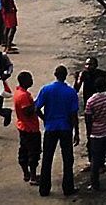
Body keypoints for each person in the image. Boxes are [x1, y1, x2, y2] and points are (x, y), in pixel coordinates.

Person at [35, 65, 79, 197]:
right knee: (67, 159)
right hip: (65, 128)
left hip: (51, 127)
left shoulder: (46, 89)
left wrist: (45, 119)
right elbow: (73, 115)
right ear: (65, 76)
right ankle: (68, 188)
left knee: (47, 158)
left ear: (55, 74)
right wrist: (76, 132)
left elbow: (37, 108)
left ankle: (44, 189)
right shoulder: (71, 92)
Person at [13, 70, 42, 185]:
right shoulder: (23, 96)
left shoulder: (18, 92)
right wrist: (37, 103)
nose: (32, 81)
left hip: (23, 127)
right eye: (30, 79)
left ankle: (27, 174)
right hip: (30, 128)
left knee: (24, 151)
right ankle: (33, 177)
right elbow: (28, 111)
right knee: (33, 153)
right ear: (25, 81)